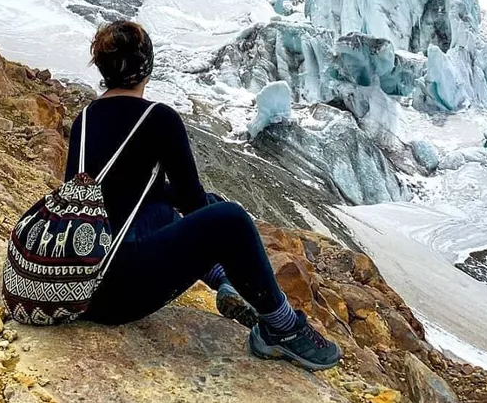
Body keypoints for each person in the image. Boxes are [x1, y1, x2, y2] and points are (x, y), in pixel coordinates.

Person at [68, 19, 342, 372]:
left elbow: (98, 197)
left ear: (103, 68)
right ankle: (282, 329)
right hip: (116, 293)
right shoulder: (158, 119)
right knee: (227, 218)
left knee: (177, 207)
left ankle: (227, 283)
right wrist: (202, 205)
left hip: (80, 280)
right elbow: (192, 202)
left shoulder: (85, 119)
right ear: (147, 67)